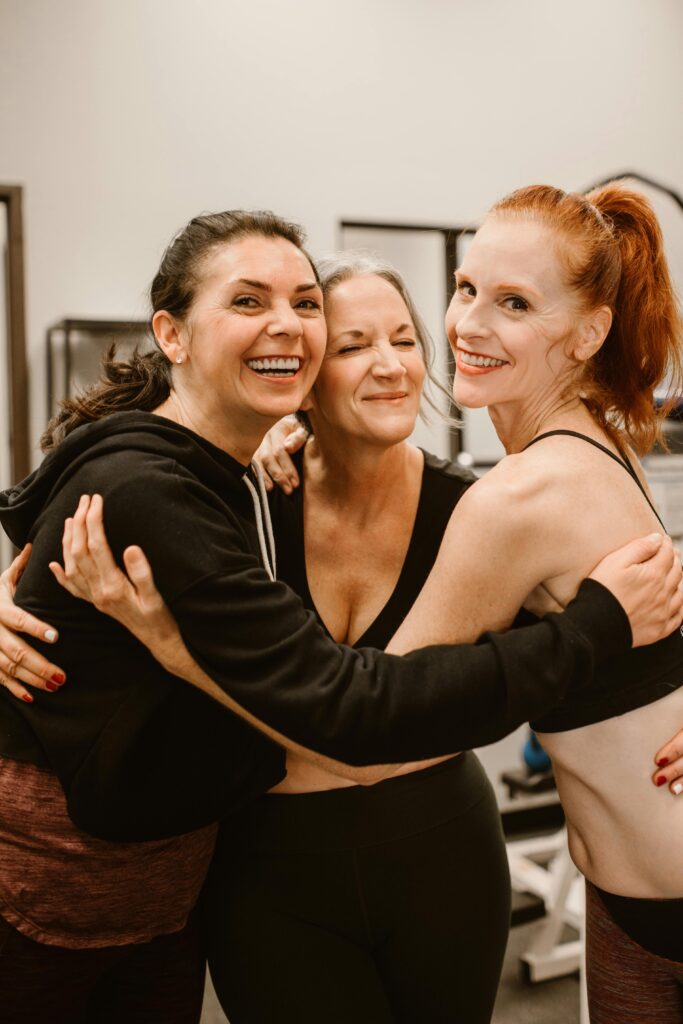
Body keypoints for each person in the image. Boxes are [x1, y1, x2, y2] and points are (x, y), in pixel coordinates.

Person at [0, 209, 679, 1024]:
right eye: (354, 343)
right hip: (255, 875)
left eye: (402, 337)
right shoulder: (244, 495)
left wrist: (178, 652)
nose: (391, 364)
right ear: (310, 372)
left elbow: (374, 720)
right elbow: (65, 529)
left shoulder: (479, 501)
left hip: (443, 860)